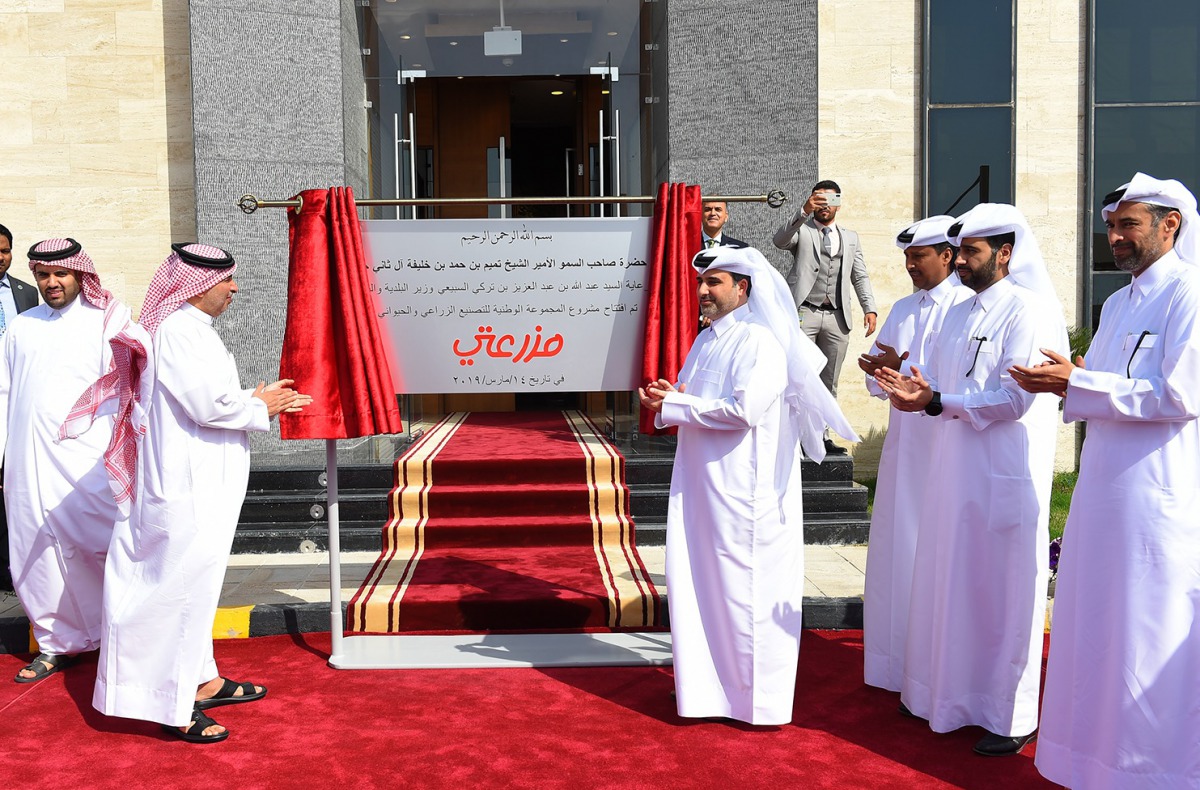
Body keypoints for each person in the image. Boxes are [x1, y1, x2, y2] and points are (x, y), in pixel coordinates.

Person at [1010, 174, 1200, 788]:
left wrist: (1080, 382)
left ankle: (1156, 771)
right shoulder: (1117, 303)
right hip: (1102, 492)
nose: (1114, 237)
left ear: (1170, 225)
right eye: (1111, 225)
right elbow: (1106, 387)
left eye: (1129, 225)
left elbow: (1180, 394)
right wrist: (1075, 378)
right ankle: (1091, 761)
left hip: (1159, 495)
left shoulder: (1190, 293)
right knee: (1096, 624)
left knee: (1149, 628)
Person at [93, 243, 310, 743]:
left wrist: (254, 399)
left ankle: (203, 680)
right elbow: (208, 407)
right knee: (179, 591)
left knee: (198, 588)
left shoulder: (192, 331)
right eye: (226, 281)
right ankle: (173, 706)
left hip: (200, 484)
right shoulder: (177, 332)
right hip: (184, 488)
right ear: (195, 284)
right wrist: (262, 406)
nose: (235, 289)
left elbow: (213, 400)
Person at [873, 203, 1067, 756]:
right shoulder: (962, 312)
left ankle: (1010, 714)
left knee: (1000, 593)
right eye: (959, 251)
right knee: (947, 581)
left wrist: (937, 401)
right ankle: (942, 697)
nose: (960, 260)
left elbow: (1013, 399)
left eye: (972, 252)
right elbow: (938, 383)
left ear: (1005, 253)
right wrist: (911, 385)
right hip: (950, 468)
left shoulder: (1027, 311)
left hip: (999, 472)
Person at [638, 244, 855, 725]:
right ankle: (707, 695)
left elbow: (743, 412)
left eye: (714, 282)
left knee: (746, 594)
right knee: (701, 587)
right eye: (701, 283)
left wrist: (677, 406)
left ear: (743, 287)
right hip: (701, 488)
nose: (703, 291)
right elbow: (698, 401)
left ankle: (757, 704)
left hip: (744, 495)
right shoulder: (706, 339)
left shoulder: (759, 340)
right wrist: (671, 399)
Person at [1, 238, 130, 682]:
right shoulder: (22, 325)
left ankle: (119, 634)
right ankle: (58, 643)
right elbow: (4, 393)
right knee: (33, 553)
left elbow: (123, 390)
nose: (51, 282)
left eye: (61, 274)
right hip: (25, 460)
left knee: (99, 544)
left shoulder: (107, 321)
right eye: (42, 275)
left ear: (80, 274)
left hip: (86, 459)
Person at [857, 215, 970, 692]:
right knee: (900, 546)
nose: (910, 265)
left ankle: (939, 665)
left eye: (918, 256)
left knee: (940, 549)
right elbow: (873, 380)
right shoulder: (903, 308)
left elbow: (967, 382)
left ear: (948, 255)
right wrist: (882, 371)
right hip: (905, 449)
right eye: (906, 257)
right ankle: (897, 662)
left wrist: (917, 382)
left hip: (950, 442)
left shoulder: (968, 305)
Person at [773, 180, 877, 454]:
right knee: (798, 376)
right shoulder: (803, 231)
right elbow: (779, 241)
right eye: (819, 201)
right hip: (804, 312)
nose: (824, 206)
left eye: (829, 201)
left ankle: (822, 437)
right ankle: (793, 437)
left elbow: (859, 275)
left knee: (829, 382)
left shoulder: (851, 237)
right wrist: (802, 211)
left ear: (838, 204)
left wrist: (870, 308)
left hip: (836, 316)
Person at [0, 224, 39, 592]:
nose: (0, 257)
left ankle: (12, 570)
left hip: (16, 400)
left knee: (13, 482)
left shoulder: (27, 293)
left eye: (5, 250)